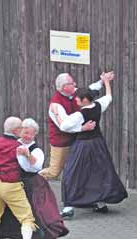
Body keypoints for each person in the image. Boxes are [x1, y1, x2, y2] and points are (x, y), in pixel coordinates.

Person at [39, 71, 114, 218]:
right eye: (72, 83)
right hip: (62, 143)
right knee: (55, 171)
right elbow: (63, 126)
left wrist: (102, 81)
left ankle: (85, 203)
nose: (75, 85)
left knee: (80, 172)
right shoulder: (56, 105)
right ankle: (30, 179)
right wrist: (82, 128)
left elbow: (89, 90)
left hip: (80, 142)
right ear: (63, 87)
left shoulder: (77, 96)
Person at [52, 73, 127, 214]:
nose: (76, 100)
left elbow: (64, 126)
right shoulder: (98, 106)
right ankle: (100, 202)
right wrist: (106, 82)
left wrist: (60, 116)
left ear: (84, 100)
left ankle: (69, 206)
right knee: (98, 171)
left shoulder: (79, 115)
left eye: (78, 99)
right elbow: (109, 97)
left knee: (71, 173)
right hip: (98, 143)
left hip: (83, 145)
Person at [0, 118, 69, 239]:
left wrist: (27, 155)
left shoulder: (36, 150)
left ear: (35, 135)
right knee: (12, 214)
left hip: (34, 185)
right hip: (15, 183)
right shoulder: (13, 144)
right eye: (24, 132)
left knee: (44, 214)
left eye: (30, 133)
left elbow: (36, 166)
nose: (26, 135)